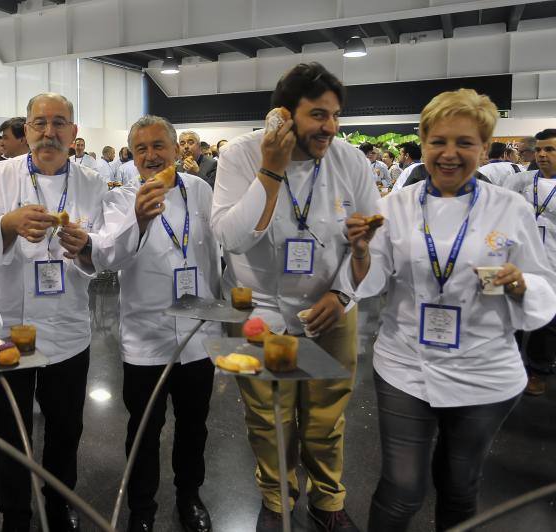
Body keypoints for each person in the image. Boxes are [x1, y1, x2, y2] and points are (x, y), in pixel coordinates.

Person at [343, 88, 556, 531]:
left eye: (465, 143)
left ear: (484, 147)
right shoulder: (394, 206)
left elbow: (543, 284)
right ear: (423, 143)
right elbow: (372, 282)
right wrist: (361, 251)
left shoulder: (510, 207)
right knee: (401, 489)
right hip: (406, 363)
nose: (450, 154)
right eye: (438, 141)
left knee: (460, 486)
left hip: (484, 367)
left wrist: (520, 282)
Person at [211, 62, 376, 532]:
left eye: (335, 115)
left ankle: (328, 501)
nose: (330, 127)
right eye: (319, 115)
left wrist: (343, 292)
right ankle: (276, 497)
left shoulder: (350, 160)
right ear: (284, 114)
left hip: (331, 307)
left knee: (326, 415)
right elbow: (231, 237)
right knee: (267, 416)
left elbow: (372, 238)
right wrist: (271, 170)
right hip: (258, 308)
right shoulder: (242, 155)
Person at [0, 92, 109, 532]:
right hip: (10, 324)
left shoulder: (92, 182)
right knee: (10, 430)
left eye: (59, 123)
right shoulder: (0, 176)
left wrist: (87, 248)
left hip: (67, 327)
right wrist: (9, 224)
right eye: (40, 123)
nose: (49, 133)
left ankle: (59, 498)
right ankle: (14, 512)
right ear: (26, 129)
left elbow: (105, 250)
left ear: (74, 132)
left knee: (66, 427)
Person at [96, 115, 220, 532]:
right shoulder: (120, 199)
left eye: (158, 146)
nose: (151, 156)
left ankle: (190, 497)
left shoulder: (200, 190)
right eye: (141, 148)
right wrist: (141, 218)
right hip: (145, 336)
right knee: (144, 429)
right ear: (132, 155)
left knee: (193, 426)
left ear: (176, 149)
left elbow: (214, 255)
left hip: (197, 336)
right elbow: (108, 259)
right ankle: (142, 509)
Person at [502, 128, 556, 396]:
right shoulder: (519, 181)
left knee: (546, 324)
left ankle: (538, 370)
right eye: (539, 149)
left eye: (550, 150)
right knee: (511, 316)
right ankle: (507, 365)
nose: (543, 155)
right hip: (517, 261)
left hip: (552, 264)